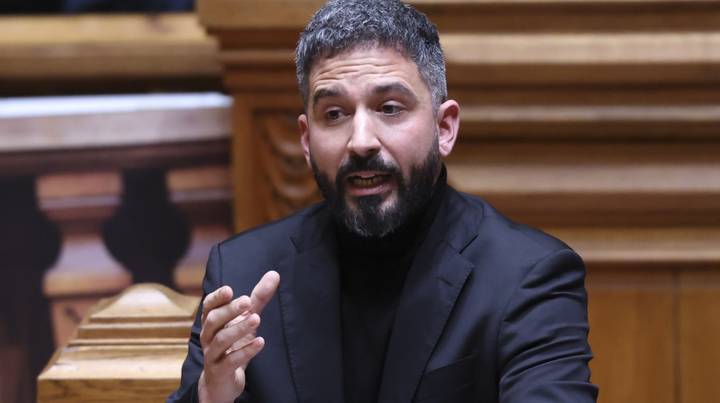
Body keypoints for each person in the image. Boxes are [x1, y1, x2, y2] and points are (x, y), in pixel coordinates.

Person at [168, 0, 598, 402]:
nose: (361, 141)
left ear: (444, 128)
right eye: (334, 114)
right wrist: (212, 396)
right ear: (306, 140)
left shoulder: (527, 276)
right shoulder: (242, 273)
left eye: (390, 108)